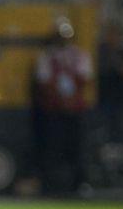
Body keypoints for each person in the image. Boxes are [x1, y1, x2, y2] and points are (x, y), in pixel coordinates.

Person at [33, 18, 92, 196]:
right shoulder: (47, 57)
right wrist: (59, 98)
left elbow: (84, 78)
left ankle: (79, 184)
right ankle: (51, 185)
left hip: (74, 109)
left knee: (76, 147)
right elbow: (43, 81)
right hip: (54, 109)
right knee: (52, 148)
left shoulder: (80, 55)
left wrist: (70, 99)